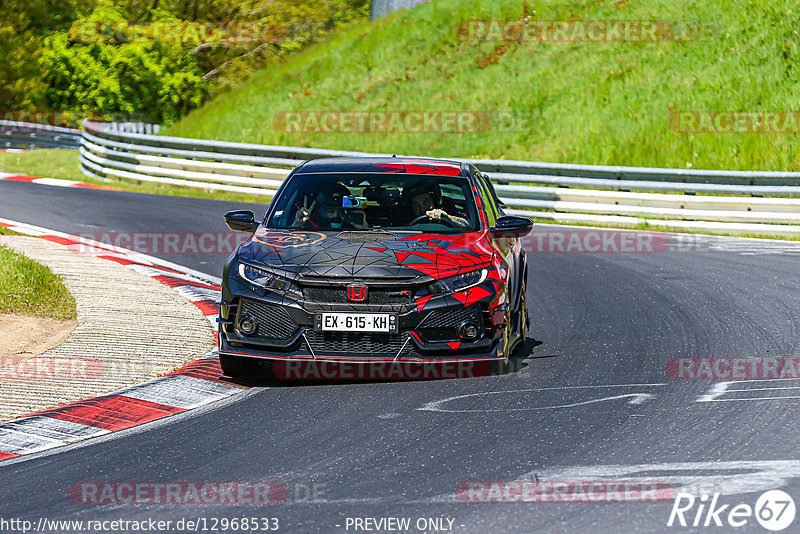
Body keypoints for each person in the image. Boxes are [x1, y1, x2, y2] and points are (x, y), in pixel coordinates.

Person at [292, 183, 369, 230]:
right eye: (330, 211)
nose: (336, 216)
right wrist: (297, 224)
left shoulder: (353, 228)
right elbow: (290, 243)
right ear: (320, 211)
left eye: (341, 211)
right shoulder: (310, 229)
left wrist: (365, 231)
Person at [405, 182, 469, 229]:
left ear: (435, 202)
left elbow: (468, 226)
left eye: (426, 202)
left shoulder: (450, 212)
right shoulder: (404, 221)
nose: (422, 208)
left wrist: (447, 218)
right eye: (416, 205)